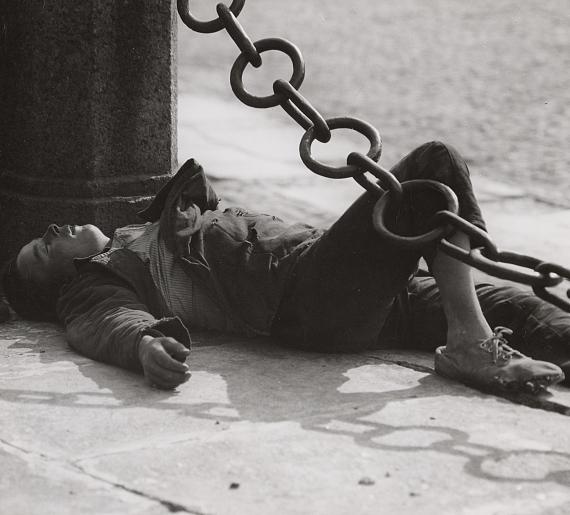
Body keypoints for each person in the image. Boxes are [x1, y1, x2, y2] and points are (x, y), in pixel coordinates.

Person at [2, 142, 570, 392]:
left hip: (355, 290)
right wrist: (145, 346)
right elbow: (103, 321)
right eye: (42, 251)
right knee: (432, 168)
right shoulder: (97, 281)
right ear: (59, 284)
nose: (50, 232)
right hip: (311, 299)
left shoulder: (140, 231)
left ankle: (468, 330)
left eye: (42, 234)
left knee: (524, 309)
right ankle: (469, 343)